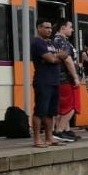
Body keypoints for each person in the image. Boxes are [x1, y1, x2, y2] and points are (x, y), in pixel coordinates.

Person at [30, 18, 66, 148]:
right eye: (46, 27)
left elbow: (64, 55)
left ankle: (49, 138)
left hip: (54, 81)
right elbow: (52, 58)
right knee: (40, 111)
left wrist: (56, 58)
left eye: (50, 28)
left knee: (51, 112)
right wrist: (56, 57)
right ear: (38, 28)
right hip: (43, 81)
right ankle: (37, 139)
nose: (49, 30)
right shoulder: (37, 43)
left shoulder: (51, 43)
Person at [52, 20, 81, 142]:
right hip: (66, 78)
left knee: (62, 106)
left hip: (58, 77)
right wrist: (75, 76)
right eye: (70, 27)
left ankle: (65, 130)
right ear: (63, 28)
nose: (72, 29)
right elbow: (68, 60)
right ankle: (59, 131)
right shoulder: (62, 42)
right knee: (71, 107)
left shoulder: (54, 41)